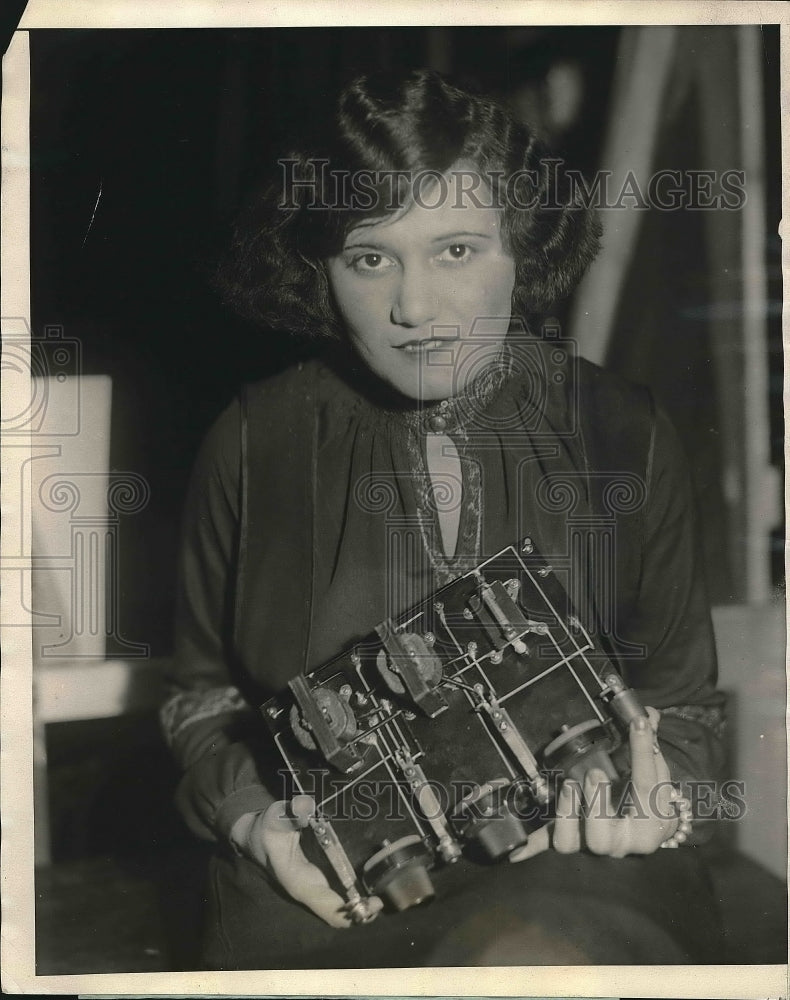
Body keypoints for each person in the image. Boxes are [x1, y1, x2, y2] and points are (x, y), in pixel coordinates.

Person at [160, 69, 727, 969]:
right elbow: (202, 696)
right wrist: (254, 820)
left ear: (524, 245)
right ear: (321, 268)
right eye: (370, 257)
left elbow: (684, 706)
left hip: (573, 869)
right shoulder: (249, 439)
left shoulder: (625, 429)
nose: (414, 309)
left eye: (457, 250)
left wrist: (651, 800)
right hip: (326, 878)